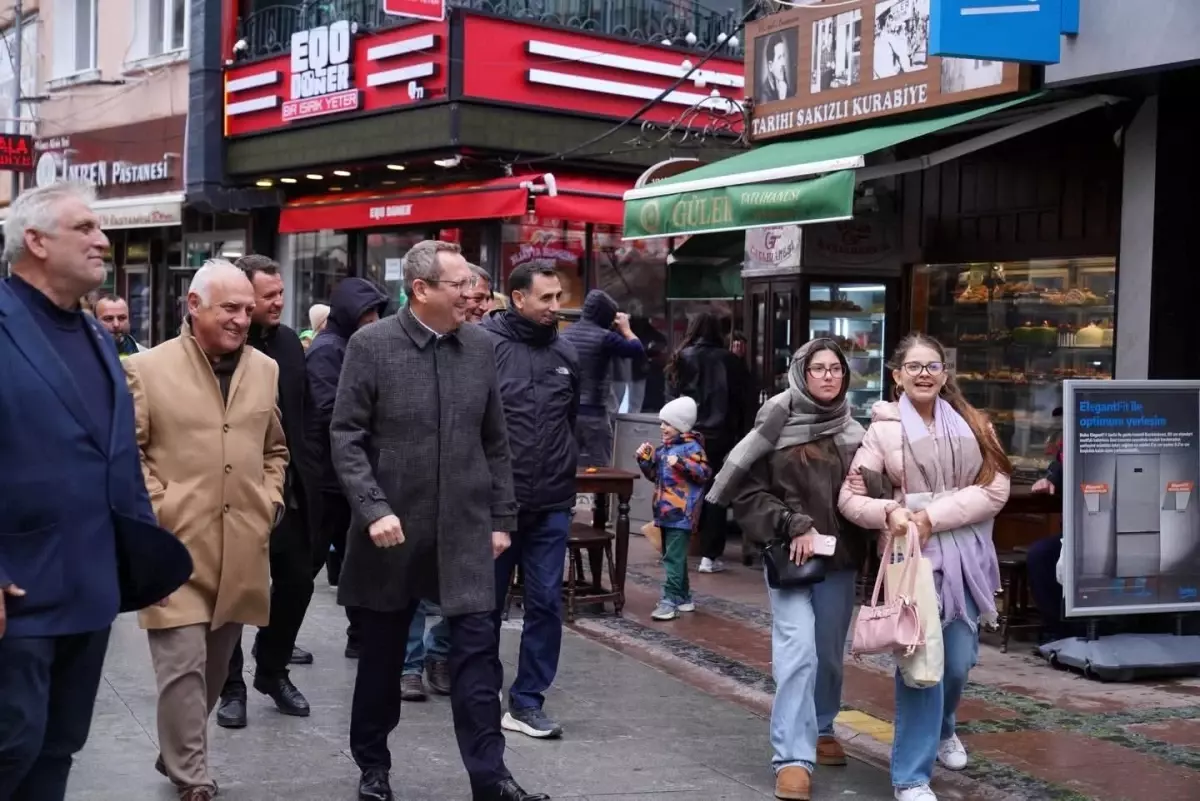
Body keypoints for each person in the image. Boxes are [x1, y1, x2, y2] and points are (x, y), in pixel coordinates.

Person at [332, 240, 548, 801]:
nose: (473, 297)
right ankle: (373, 766)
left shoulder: (478, 348)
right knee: (381, 660)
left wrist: (502, 517)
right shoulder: (370, 345)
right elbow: (346, 437)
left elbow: (495, 441)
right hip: (391, 535)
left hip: (466, 530)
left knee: (477, 658)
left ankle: (490, 777)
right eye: (460, 287)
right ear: (421, 289)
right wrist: (373, 508)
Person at [0, 181, 189, 801]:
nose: (101, 241)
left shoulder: (97, 338)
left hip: (89, 588)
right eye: (83, 228)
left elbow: (116, 457)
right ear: (35, 241)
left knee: (58, 749)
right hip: (18, 590)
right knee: (12, 743)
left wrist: (141, 555)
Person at [125, 260, 289, 801]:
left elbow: (275, 449)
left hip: (242, 546)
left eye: (248, 309)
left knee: (215, 672)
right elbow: (130, 453)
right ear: (193, 306)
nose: (243, 319)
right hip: (173, 550)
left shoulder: (265, 369)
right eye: (230, 308)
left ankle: (177, 744)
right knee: (182, 669)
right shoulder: (145, 369)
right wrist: (160, 508)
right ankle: (193, 776)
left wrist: (268, 501)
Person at [839, 333, 1011, 801]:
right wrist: (890, 513)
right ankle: (911, 776)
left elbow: (996, 490)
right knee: (920, 661)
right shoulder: (882, 430)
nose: (923, 374)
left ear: (945, 374)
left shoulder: (975, 424)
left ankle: (943, 727)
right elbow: (851, 497)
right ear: (897, 375)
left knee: (957, 662)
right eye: (913, 367)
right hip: (912, 558)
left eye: (932, 366)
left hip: (967, 554)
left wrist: (934, 514)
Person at [716, 339, 869, 801]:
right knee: (797, 649)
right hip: (791, 557)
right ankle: (792, 758)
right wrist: (791, 523)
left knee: (827, 652)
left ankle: (822, 725)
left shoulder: (856, 430)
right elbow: (745, 491)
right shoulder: (776, 420)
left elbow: (871, 495)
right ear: (801, 373)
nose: (827, 376)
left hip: (840, 557)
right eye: (818, 369)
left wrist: (872, 483)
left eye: (836, 369)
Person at [215, 254, 319, 730]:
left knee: (297, 579)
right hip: (232, 492)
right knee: (233, 589)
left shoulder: (289, 344)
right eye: (269, 295)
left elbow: (304, 414)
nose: (279, 302)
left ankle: (272, 671)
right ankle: (230, 685)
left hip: (290, 489)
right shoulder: (215, 348)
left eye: (281, 293)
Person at [480, 263, 579, 741]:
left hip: (552, 503)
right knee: (486, 606)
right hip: (498, 505)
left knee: (545, 603)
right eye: (546, 298)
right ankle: (480, 695)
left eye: (558, 296)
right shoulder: (484, 346)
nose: (556, 307)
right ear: (518, 298)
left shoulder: (566, 351)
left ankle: (527, 702)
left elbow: (571, 418)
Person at [305, 277, 388, 658]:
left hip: (349, 476)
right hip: (329, 478)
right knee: (308, 566)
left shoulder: (355, 346)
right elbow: (327, 412)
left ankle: (361, 637)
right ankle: (277, 642)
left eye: (375, 313)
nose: (373, 320)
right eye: (366, 313)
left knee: (358, 560)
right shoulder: (328, 351)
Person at [667, 312, 750, 573]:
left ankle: (676, 548)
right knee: (716, 493)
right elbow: (743, 402)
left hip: (687, 433)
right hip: (721, 436)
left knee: (684, 490)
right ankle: (709, 556)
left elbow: (671, 396)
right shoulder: (731, 361)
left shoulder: (683, 357)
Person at [635, 396, 711, 621]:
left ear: (680, 426)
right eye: (662, 422)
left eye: (667, 423)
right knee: (674, 556)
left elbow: (704, 473)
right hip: (665, 512)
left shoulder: (692, 448)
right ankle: (684, 597)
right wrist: (645, 461)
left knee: (672, 559)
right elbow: (654, 476)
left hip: (682, 513)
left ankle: (669, 601)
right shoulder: (664, 449)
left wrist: (679, 463)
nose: (662, 427)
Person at [560, 289, 643, 467]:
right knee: (601, 469)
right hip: (595, 414)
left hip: (568, 413)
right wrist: (626, 329)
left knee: (567, 467)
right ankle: (600, 496)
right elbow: (637, 350)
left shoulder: (564, 335)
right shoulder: (605, 337)